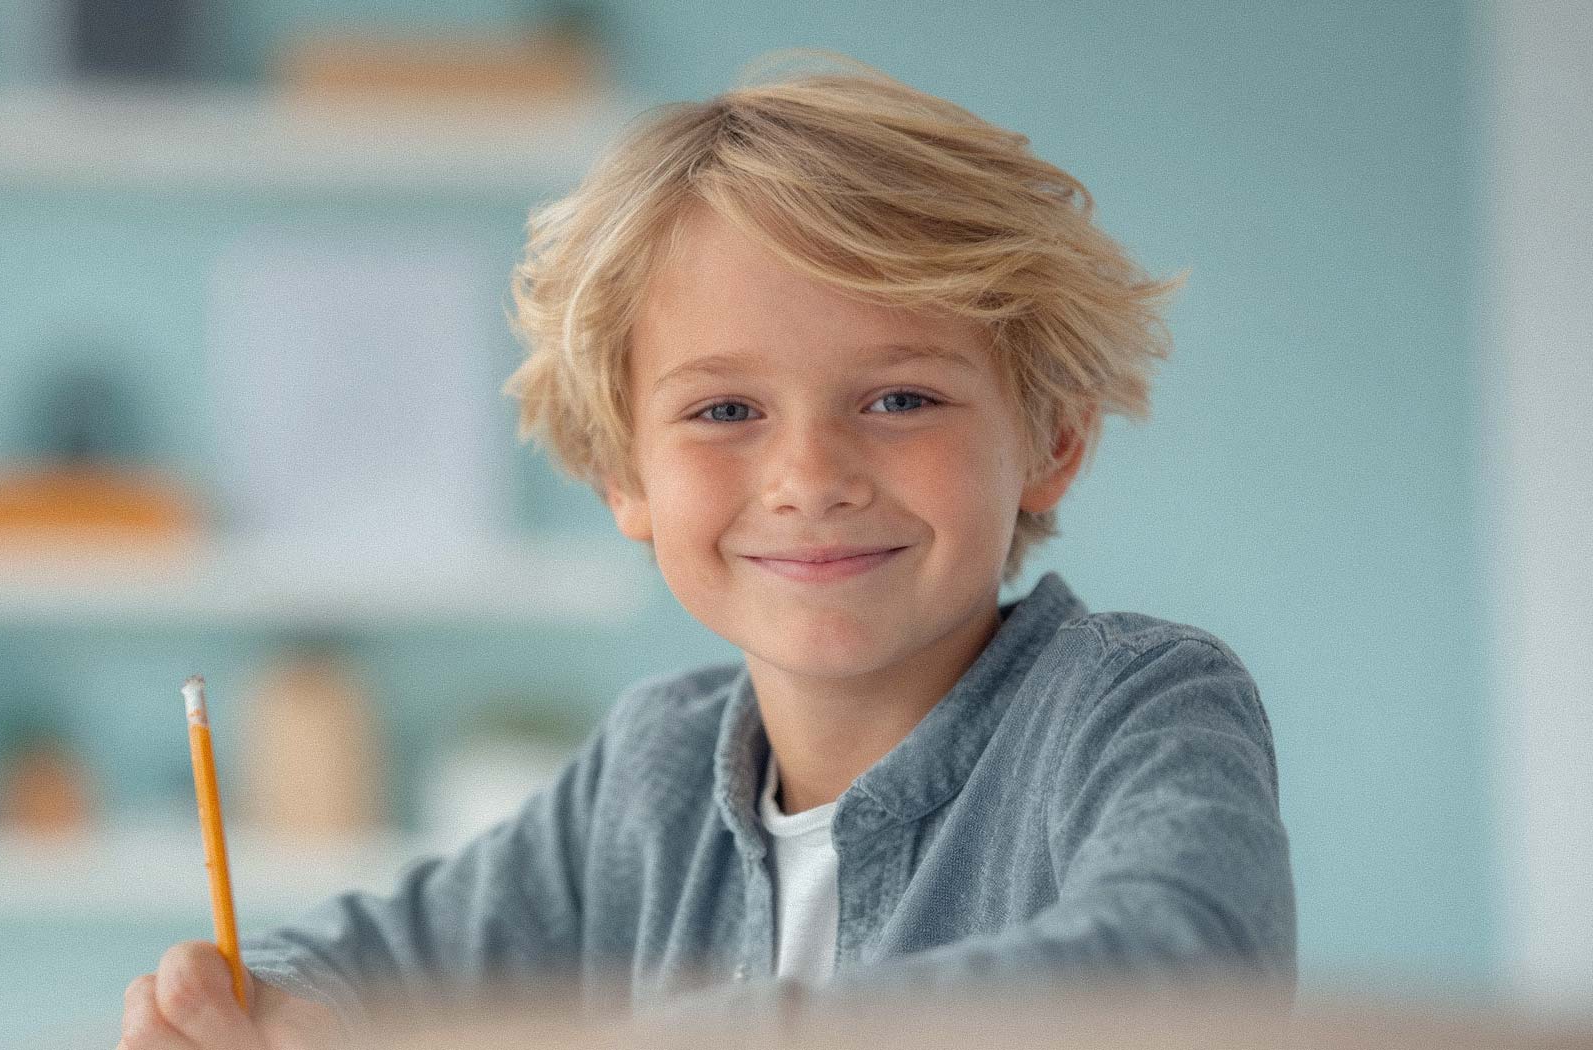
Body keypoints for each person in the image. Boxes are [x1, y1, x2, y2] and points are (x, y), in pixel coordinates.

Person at [116, 55, 1295, 1050]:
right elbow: (350, 963)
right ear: (619, 476)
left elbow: (1174, 973)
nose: (808, 478)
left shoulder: (1133, 702)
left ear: (1050, 442)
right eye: (724, 412)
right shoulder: (649, 771)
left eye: (897, 399)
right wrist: (249, 1008)